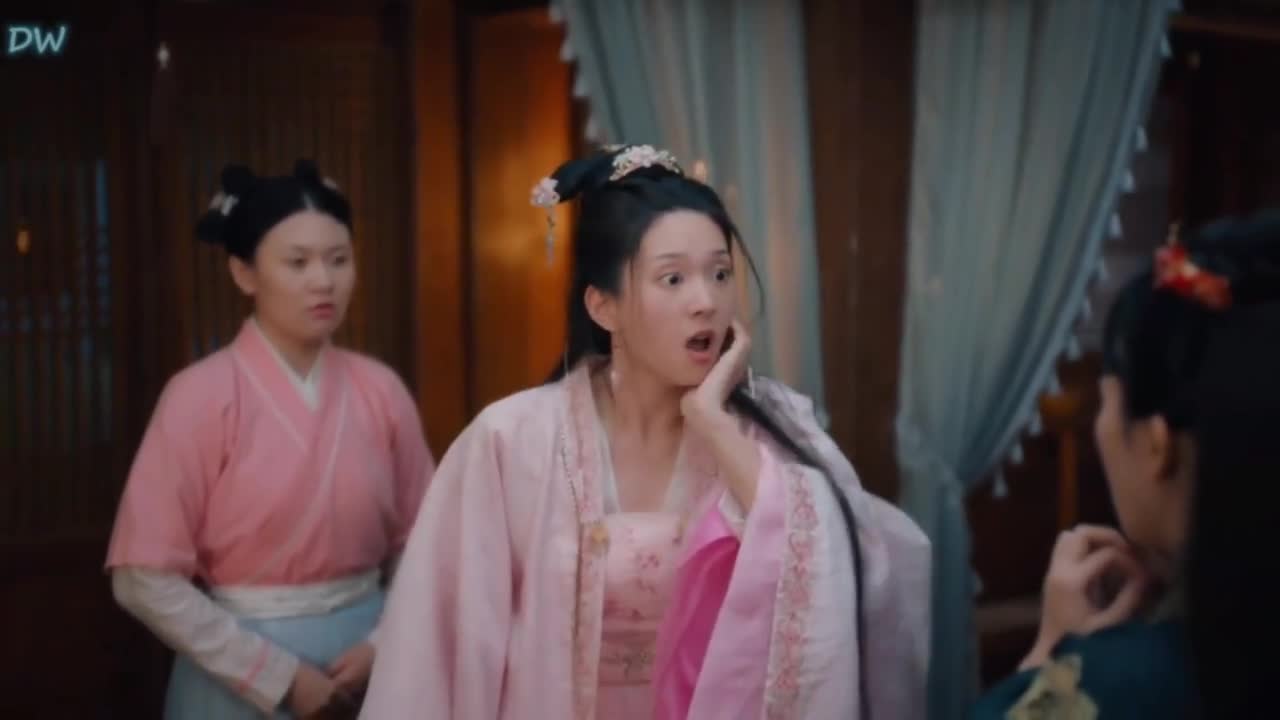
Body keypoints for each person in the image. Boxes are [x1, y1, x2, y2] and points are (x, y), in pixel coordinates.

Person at [358, 144, 931, 720]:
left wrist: (714, 422)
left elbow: (846, 568)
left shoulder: (771, 427)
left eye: (720, 274)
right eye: (673, 278)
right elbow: (439, 648)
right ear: (603, 308)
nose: (705, 301)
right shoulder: (512, 440)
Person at [106, 160, 436, 719]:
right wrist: (277, 676)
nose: (323, 281)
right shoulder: (198, 396)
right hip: (235, 669)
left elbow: (428, 540)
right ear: (244, 273)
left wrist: (385, 642)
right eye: (297, 262)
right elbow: (142, 578)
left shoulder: (381, 390)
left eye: (339, 260)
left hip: (373, 664)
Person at [970, 212, 1280, 718]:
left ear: (1158, 446)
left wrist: (1048, 657)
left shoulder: (1109, 688)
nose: (1102, 427)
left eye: (1107, 403)